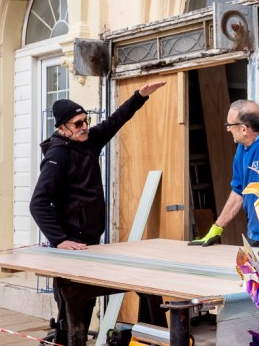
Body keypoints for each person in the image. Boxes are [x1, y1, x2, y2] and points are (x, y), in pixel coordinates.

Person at [30, 81, 165, 344]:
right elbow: (38, 203)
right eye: (77, 123)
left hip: (90, 242)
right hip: (70, 245)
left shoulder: (89, 141)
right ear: (62, 128)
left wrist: (140, 96)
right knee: (73, 306)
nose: (84, 127)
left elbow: (116, 120)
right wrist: (59, 239)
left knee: (84, 304)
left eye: (85, 120)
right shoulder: (57, 156)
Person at [189, 99, 259, 257]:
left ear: (243, 129)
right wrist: (216, 228)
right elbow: (239, 191)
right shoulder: (242, 148)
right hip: (256, 234)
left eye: (229, 125)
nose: (227, 130)